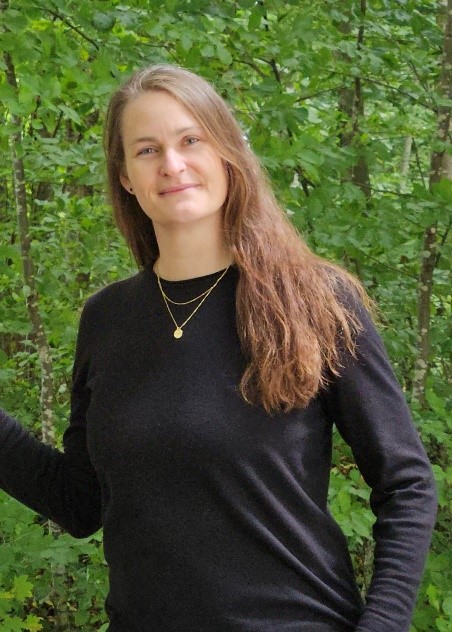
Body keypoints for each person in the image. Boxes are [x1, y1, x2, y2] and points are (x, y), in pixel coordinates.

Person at [0, 64, 437, 632]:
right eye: (147, 150)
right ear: (126, 176)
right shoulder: (107, 319)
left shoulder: (314, 301)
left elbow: (406, 484)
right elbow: (81, 503)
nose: (172, 164)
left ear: (227, 151)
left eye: (190, 140)